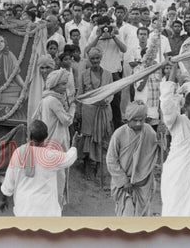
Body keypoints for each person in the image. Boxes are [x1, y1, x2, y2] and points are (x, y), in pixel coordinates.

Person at [0, 120, 78, 216]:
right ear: (45, 137)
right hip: (45, 209)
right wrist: (74, 144)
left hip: (24, 208)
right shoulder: (50, 155)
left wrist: (4, 199)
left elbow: (9, 180)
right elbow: (69, 158)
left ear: (29, 136)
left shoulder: (18, 153)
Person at [106, 101, 159, 216]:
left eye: (142, 120)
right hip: (125, 187)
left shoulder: (149, 131)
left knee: (142, 218)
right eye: (135, 120)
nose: (139, 123)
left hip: (143, 183)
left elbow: (156, 148)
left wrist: (162, 137)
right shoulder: (119, 134)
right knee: (127, 215)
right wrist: (124, 181)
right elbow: (111, 160)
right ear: (128, 119)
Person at [32, 69, 76, 207]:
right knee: (58, 176)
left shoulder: (46, 99)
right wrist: (73, 106)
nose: (65, 87)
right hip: (55, 143)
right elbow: (67, 120)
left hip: (47, 142)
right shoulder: (54, 101)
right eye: (63, 84)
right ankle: (55, 206)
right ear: (55, 85)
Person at [159, 65, 190, 216]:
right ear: (185, 107)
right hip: (176, 173)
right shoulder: (176, 121)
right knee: (173, 210)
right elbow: (167, 103)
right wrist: (173, 70)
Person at [76, 48, 113, 179]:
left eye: (97, 58)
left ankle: (99, 166)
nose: (95, 61)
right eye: (92, 59)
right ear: (89, 60)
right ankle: (87, 166)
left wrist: (105, 101)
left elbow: (111, 92)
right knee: (88, 138)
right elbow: (80, 94)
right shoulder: (83, 74)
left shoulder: (108, 75)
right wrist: (78, 111)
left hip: (103, 111)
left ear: (101, 58)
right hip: (88, 112)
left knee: (101, 139)